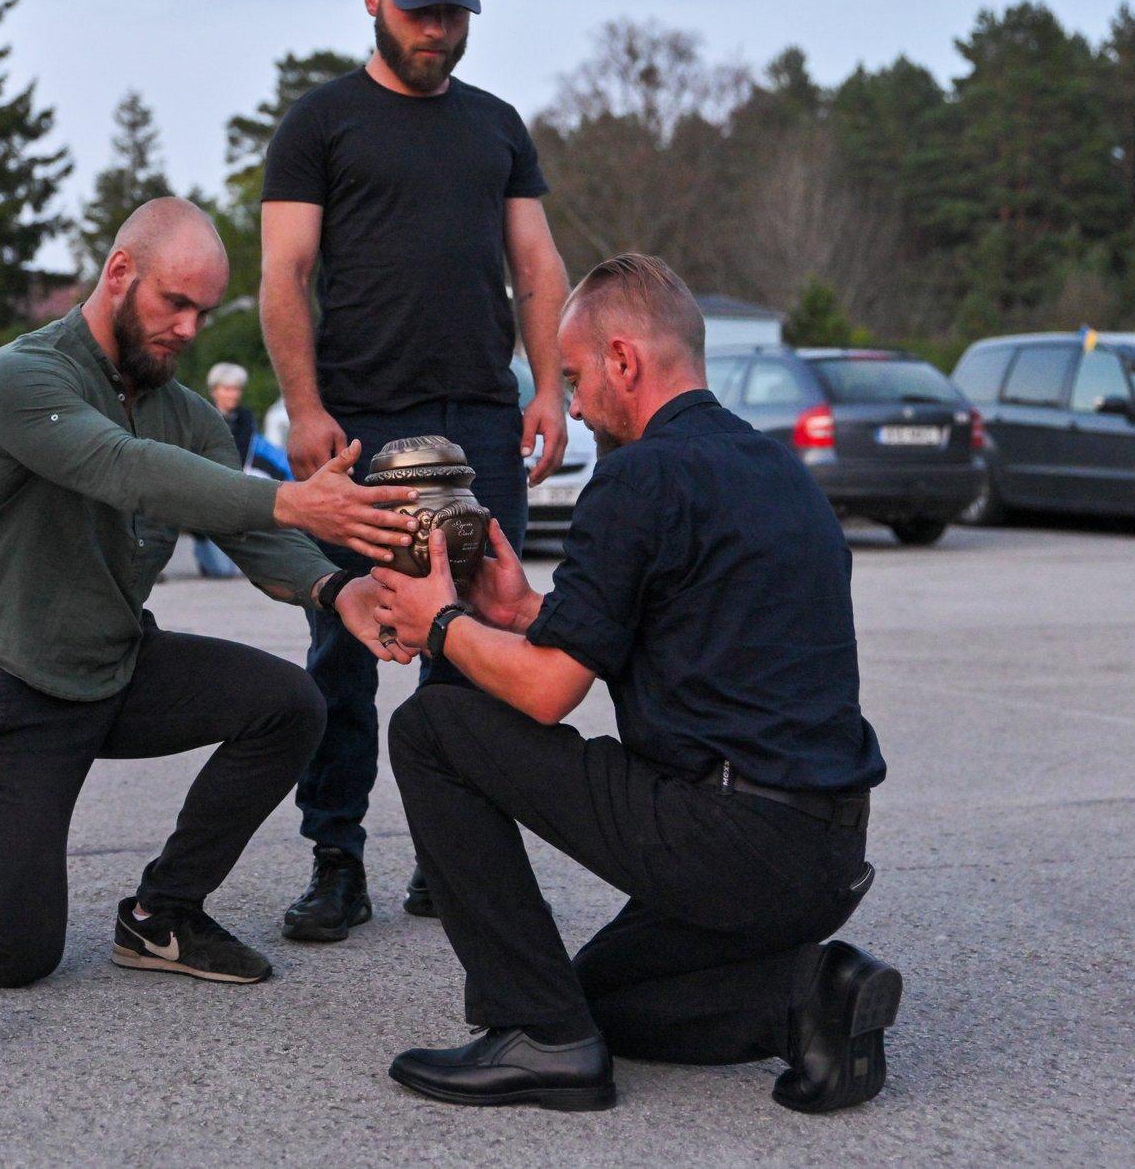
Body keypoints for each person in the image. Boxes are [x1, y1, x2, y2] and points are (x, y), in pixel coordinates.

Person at [0, 198, 416, 992]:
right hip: (12, 690)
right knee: (14, 953)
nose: (188, 327)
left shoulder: (187, 415)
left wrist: (337, 586)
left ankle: (164, 914)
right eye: (173, 302)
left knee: (290, 704)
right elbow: (121, 466)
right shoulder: (20, 377)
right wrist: (290, 499)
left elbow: (249, 534)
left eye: (203, 312)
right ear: (119, 273)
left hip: (116, 668)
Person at [368, 254, 899, 1114]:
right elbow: (684, 632)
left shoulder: (639, 474)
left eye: (575, 378)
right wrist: (524, 610)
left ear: (625, 360)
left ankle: (535, 1039)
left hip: (729, 836)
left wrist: (442, 621)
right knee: (594, 1000)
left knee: (434, 722)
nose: (572, 406)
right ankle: (809, 996)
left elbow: (546, 695)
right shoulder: (781, 475)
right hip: (824, 856)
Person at [260, 0, 572, 941]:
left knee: (472, 635)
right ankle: (334, 856)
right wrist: (304, 409)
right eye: (418, 9)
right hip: (360, 424)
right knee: (346, 642)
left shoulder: (495, 125)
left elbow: (535, 265)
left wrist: (549, 386)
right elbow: (283, 276)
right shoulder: (320, 124)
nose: (436, 29)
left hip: (479, 419)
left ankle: (454, 850)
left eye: (453, 13)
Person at [191, 361, 289, 579]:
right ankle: (203, 547)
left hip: (236, 489)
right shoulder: (199, 416)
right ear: (214, 391)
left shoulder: (246, 420)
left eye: (236, 389)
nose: (233, 395)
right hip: (208, 495)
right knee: (222, 572)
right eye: (227, 389)